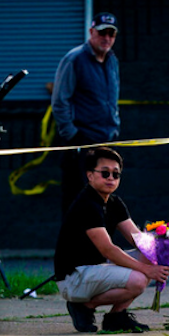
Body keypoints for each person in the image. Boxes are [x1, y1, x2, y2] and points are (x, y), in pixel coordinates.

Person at [53, 146, 169, 333]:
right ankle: (84, 306)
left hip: (94, 269)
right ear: (90, 175)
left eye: (115, 174)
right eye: (104, 173)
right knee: (138, 280)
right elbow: (108, 250)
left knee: (151, 259)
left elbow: (138, 240)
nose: (110, 178)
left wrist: (165, 256)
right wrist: (148, 270)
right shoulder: (86, 204)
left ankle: (116, 316)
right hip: (74, 277)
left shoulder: (114, 203)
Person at [51, 12, 121, 215]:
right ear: (91, 32)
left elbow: (111, 99)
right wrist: (73, 136)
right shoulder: (75, 59)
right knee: (78, 203)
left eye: (111, 34)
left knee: (103, 203)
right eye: (102, 33)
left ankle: (97, 247)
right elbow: (59, 101)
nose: (106, 38)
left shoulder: (111, 60)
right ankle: (73, 247)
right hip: (82, 143)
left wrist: (114, 127)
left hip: (107, 141)